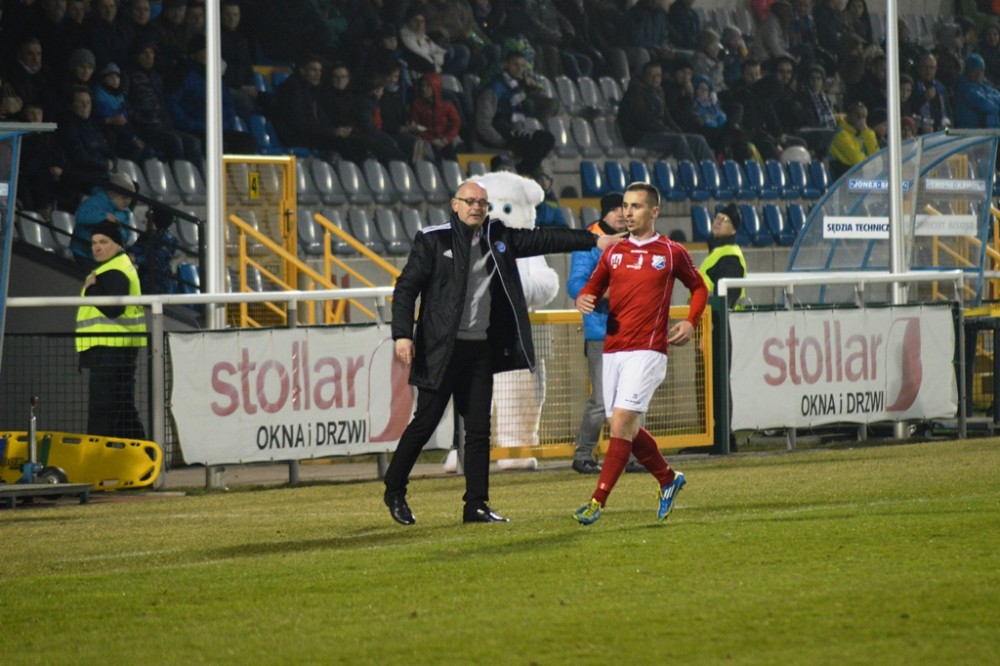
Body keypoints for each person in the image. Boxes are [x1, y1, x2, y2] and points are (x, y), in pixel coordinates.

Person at [384, 180, 622, 526]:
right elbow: (406, 288)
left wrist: (593, 240)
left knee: (479, 430)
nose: (476, 207)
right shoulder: (433, 239)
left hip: (480, 350)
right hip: (441, 350)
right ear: (455, 204)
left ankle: (476, 505)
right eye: (470, 201)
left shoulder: (499, 236)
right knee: (425, 423)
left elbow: (544, 238)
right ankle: (394, 489)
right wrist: (403, 334)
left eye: (482, 202)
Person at [571, 182, 708, 525]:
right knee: (625, 427)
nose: (627, 213)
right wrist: (584, 297)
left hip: (648, 350)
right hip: (613, 349)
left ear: (654, 211)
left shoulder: (671, 252)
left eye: (636, 206)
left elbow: (699, 287)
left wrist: (690, 322)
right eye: (625, 206)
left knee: (620, 423)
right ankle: (668, 478)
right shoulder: (614, 251)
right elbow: (593, 286)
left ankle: (597, 501)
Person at [567, 192, 627, 475]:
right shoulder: (590, 240)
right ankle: (583, 455)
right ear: (604, 213)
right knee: (602, 399)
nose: (620, 213)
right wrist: (604, 293)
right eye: (614, 209)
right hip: (601, 331)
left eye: (623, 208)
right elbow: (575, 283)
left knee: (632, 397)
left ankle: (634, 455)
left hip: (630, 330)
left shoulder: (633, 238)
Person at [76, 219, 147, 440]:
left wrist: (91, 289)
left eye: (103, 242)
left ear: (117, 244)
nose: (97, 247)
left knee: (103, 411)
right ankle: (143, 456)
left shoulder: (114, 270)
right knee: (122, 410)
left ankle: (97, 456)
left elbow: (114, 308)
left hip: (111, 349)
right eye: (94, 243)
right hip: (117, 347)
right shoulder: (117, 266)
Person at [72, 171, 136, 269]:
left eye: (130, 198)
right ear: (114, 194)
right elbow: (80, 217)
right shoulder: (96, 201)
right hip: (84, 252)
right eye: (124, 197)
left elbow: (126, 236)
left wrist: (118, 230)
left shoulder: (125, 212)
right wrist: (103, 217)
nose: (127, 201)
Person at [699, 204, 747, 308]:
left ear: (733, 230)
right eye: (717, 217)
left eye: (724, 220)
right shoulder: (717, 252)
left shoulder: (730, 258)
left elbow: (726, 304)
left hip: (718, 317)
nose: (718, 222)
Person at [130, 206, 180, 295]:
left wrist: (136, 259)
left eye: (148, 219)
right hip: (144, 282)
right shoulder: (145, 237)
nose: (144, 221)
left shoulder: (168, 239)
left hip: (159, 285)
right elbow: (134, 249)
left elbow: (157, 261)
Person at [828, 100, 878, 179]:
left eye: (864, 116)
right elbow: (858, 161)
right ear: (848, 115)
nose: (861, 119)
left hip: (862, 176)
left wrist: (867, 132)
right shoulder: (840, 134)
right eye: (858, 115)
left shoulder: (863, 133)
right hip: (844, 178)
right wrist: (873, 168)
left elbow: (876, 157)